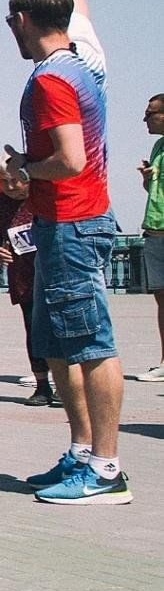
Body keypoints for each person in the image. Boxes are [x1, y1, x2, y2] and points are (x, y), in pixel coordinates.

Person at [9, 0, 127, 504]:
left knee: (91, 342)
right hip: (65, 223)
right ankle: (81, 451)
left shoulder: (53, 79)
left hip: (76, 221)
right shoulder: (85, 55)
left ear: (23, 20)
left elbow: (72, 159)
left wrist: (24, 172)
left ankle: (107, 469)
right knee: (59, 344)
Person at [0, 164, 53, 405]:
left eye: (16, 180)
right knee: (33, 331)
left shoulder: (45, 194)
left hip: (55, 276)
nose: (11, 187)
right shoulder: (1, 203)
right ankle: (42, 386)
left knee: (63, 332)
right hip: (24, 279)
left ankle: (73, 386)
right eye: (4, 181)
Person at [139, 93, 164, 382]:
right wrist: (147, 180)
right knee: (161, 299)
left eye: (151, 114)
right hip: (154, 229)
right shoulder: (158, 146)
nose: (145, 119)